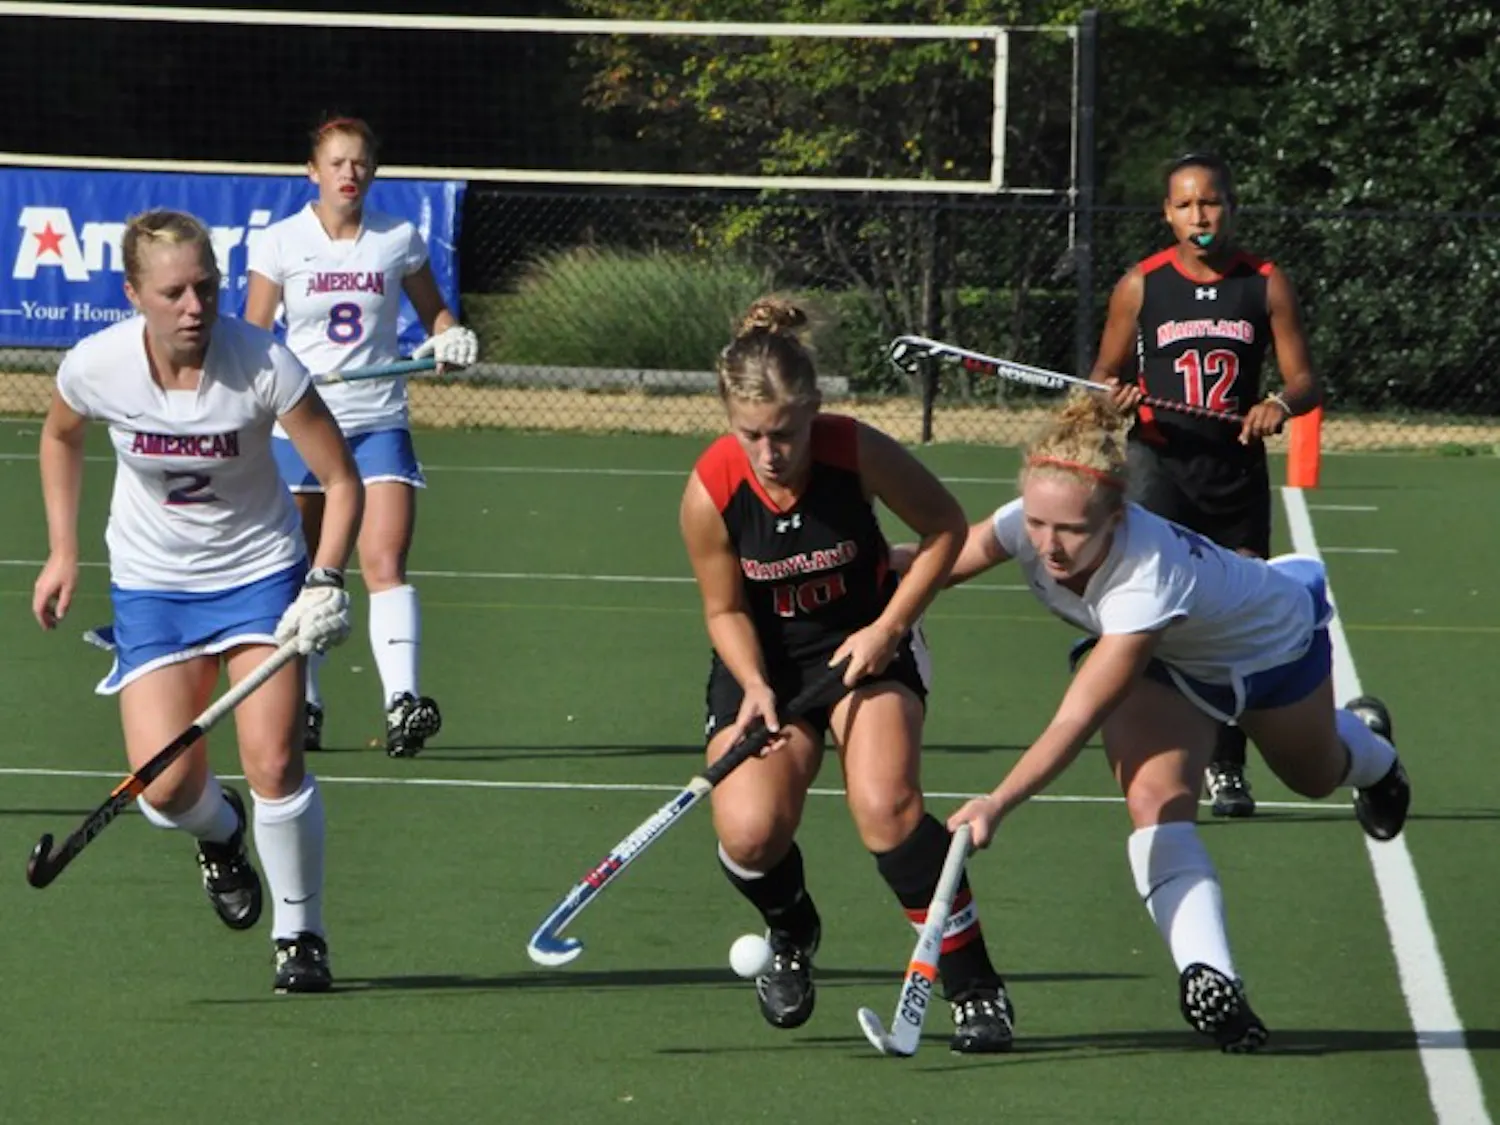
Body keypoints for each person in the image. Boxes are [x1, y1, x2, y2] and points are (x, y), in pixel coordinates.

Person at [929, 392, 1409, 1051]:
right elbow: (933, 566)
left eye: (1069, 529)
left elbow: (1077, 717)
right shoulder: (1028, 523)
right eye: (1038, 523)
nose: (1048, 544)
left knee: (1315, 774)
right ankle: (1212, 977)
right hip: (1174, 665)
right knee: (1156, 802)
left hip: (1271, 646)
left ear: (1117, 516)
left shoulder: (1145, 576)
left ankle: (1375, 754)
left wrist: (997, 800)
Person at [32, 209, 364, 993]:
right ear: (134, 294)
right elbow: (59, 436)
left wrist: (325, 576)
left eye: (206, 287)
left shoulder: (263, 362)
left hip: (259, 573)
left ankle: (301, 936)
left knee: (275, 758)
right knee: (168, 784)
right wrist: (62, 548)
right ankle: (220, 835)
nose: (194, 306)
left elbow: (342, 480)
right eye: (174, 291)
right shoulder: (96, 364)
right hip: (153, 585)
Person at [679, 297, 1015, 1054]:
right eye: (752, 435)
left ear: (814, 409)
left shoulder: (855, 450)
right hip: (765, 663)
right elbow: (725, 609)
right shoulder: (710, 489)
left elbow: (945, 528)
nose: (770, 453)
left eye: (786, 433)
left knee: (887, 807)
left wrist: (889, 626)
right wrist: (755, 686)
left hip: (867, 642)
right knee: (749, 829)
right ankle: (793, 928)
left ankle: (976, 990)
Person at [1090, 151, 1323, 819]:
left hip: (1234, 472)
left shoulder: (1265, 283)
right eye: (1186, 204)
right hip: (1158, 470)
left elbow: (1306, 379)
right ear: (1167, 213)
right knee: (1155, 612)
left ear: (1231, 205)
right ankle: (1155, 753)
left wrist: (1279, 402)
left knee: (1237, 621)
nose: (1200, 216)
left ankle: (1228, 763)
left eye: (1211, 202)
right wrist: (1120, 397)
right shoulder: (1141, 285)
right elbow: (1102, 375)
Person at [245, 114, 478, 757]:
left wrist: (447, 337)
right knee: (304, 570)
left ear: (372, 171)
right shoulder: (282, 243)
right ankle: (306, 705)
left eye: (360, 163)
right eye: (337, 162)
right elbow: (254, 332)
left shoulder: (397, 238)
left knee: (383, 561)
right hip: (304, 423)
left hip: (378, 418)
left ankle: (402, 705)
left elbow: (436, 314)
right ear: (312, 172)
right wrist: (278, 381)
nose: (350, 173)